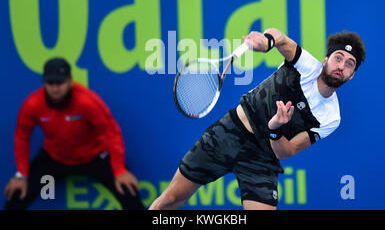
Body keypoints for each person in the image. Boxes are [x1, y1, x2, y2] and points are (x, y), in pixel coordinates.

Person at [149, 28, 366, 210]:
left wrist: (276, 128)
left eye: (349, 64)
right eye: (338, 58)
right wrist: (267, 41)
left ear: (352, 74)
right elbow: (280, 38)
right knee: (170, 200)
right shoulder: (306, 65)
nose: (341, 66)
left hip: (262, 157)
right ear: (326, 60)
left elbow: (287, 151)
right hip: (229, 132)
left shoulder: (330, 117)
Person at [4, 57, 144, 210]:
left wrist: (119, 170)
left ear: (70, 81)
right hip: (54, 160)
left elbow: (111, 133)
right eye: (51, 83)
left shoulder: (87, 101)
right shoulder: (33, 104)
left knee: (128, 191)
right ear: (44, 83)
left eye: (60, 83)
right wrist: (21, 175)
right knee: (17, 194)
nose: (55, 88)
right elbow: (22, 137)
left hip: (95, 158)